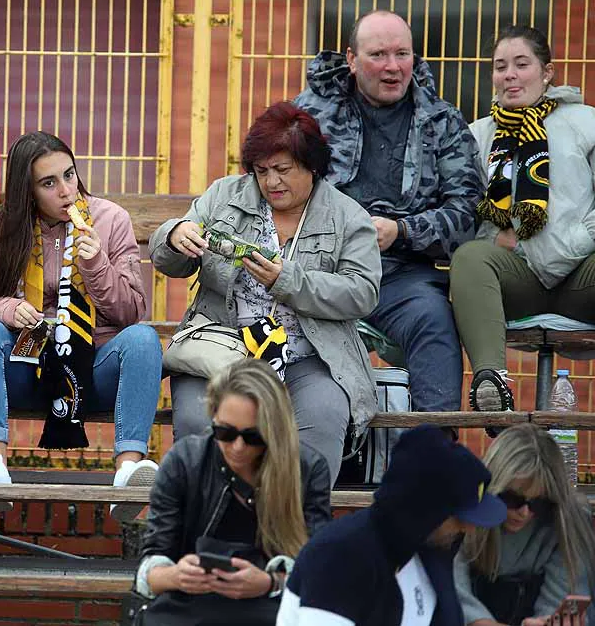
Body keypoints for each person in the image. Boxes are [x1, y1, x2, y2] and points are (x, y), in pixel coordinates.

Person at [150, 101, 381, 483]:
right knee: (197, 421)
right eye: (261, 171)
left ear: (312, 166)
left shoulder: (346, 215)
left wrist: (287, 281)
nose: (272, 181)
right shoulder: (224, 195)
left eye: (283, 170)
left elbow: (362, 292)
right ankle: (211, 528)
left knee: (323, 419)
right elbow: (170, 262)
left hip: (309, 356)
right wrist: (174, 237)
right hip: (220, 349)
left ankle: (294, 532)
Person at [0, 131, 162, 521]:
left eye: (69, 175)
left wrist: (97, 264)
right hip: (26, 365)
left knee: (144, 340)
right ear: (27, 192)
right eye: (49, 183)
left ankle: (128, 472)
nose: (66, 190)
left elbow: (133, 312)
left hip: (91, 368)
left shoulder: (109, 219)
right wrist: (8, 309)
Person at [294, 10, 484, 414]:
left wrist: (402, 231)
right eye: (378, 55)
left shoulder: (442, 121)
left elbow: (468, 212)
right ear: (351, 59)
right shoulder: (306, 117)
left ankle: (434, 455)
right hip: (320, 271)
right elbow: (271, 187)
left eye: (403, 54)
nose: (393, 67)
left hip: (402, 277)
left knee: (434, 322)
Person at [450, 25, 595, 415]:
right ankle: (491, 385)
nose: (509, 75)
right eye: (500, 67)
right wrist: (493, 237)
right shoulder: (477, 135)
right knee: (469, 257)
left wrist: (568, 247)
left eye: (521, 64)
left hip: (583, 276)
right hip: (520, 279)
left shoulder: (586, 123)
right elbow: (464, 211)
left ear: (547, 72)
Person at [133, 359, 331, 625]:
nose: (237, 447)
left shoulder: (307, 468)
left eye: (253, 436)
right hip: (191, 606)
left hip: (272, 608)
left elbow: (317, 572)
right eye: (224, 432)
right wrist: (177, 575)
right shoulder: (185, 460)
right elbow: (151, 568)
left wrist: (269, 582)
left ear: (274, 430)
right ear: (213, 418)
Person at [276, 424, 508, 626]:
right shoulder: (339, 555)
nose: (467, 528)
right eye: (459, 517)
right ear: (426, 512)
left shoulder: (426, 553)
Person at [454, 424, 595, 626]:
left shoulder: (566, 519)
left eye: (539, 502)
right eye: (512, 499)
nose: (524, 512)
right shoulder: (467, 509)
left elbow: (565, 596)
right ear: (493, 488)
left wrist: (547, 621)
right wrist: (480, 621)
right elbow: (452, 586)